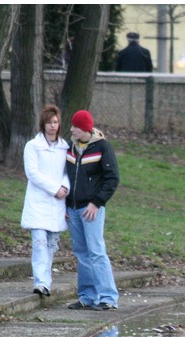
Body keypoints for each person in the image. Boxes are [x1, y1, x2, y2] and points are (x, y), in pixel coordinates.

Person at [65, 110, 120, 311]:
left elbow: (112, 178)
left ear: (86, 129)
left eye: (76, 126)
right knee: (81, 252)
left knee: (96, 251)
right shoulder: (70, 147)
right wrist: (66, 205)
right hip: (73, 208)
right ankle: (87, 296)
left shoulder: (102, 147)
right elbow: (66, 177)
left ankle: (108, 298)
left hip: (91, 209)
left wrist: (96, 202)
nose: (71, 129)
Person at [21, 104, 70, 297]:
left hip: (57, 203)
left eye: (55, 122)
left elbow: (68, 171)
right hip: (38, 202)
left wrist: (64, 187)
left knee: (51, 244)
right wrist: (54, 188)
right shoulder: (33, 146)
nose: (52, 126)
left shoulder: (64, 147)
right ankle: (40, 282)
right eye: (49, 122)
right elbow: (32, 173)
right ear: (43, 124)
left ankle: (46, 281)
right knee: (39, 242)